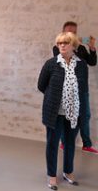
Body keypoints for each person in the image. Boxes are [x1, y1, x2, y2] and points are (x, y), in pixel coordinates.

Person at [39, 32, 88, 190]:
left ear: (73, 46)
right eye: (59, 43)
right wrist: (54, 97)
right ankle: (52, 175)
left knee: (70, 144)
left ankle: (68, 172)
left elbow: (83, 89)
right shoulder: (51, 64)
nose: (62, 46)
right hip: (54, 113)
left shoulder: (81, 65)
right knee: (53, 144)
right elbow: (41, 85)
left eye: (66, 43)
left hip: (73, 112)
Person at [52, 21, 97, 154]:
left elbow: (92, 62)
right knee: (66, 116)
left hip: (83, 89)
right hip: (67, 88)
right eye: (69, 32)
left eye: (74, 32)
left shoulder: (81, 48)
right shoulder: (58, 47)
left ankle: (87, 144)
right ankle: (64, 143)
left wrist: (92, 49)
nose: (72, 34)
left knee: (85, 116)